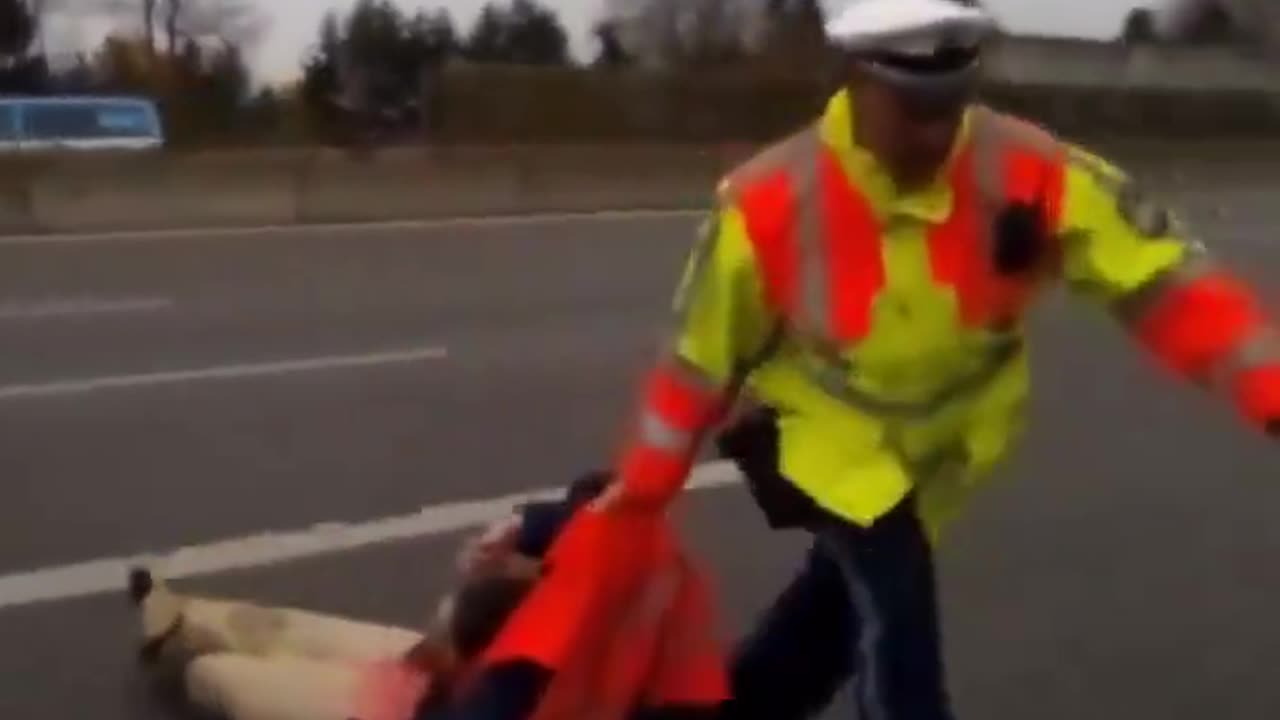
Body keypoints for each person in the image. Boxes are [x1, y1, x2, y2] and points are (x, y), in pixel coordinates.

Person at [572, 0, 1280, 719]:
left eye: (953, 105)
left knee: (832, 621)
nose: (938, 132)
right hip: (825, 441)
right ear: (855, 81)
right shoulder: (769, 201)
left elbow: (1166, 281)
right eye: (913, 110)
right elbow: (698, 363)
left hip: (940, 453)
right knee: (896, 612)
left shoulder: (1032, 170)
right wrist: (637, 498)